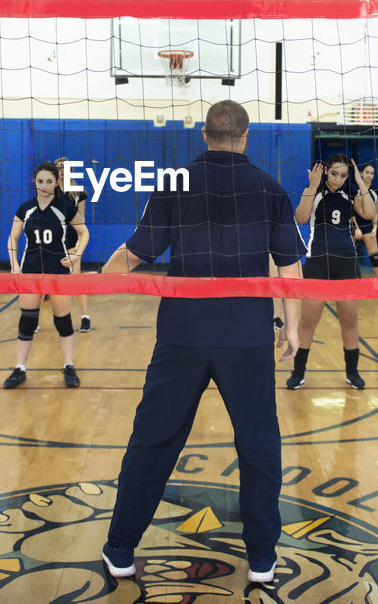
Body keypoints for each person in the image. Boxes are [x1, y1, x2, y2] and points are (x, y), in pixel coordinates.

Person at [99, 100, 303, 585]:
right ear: (246, 136)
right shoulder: (271, 189)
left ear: (205, 136)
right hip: (247, 336)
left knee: (153, 442)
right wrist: (292, 328)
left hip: (183, 334)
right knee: (259, 447)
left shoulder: (175, 184)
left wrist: (95, 280)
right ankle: (261, 559)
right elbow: (291, 269)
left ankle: (121, 549)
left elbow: (135, 253)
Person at [287, 154, 377, 390]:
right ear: (326, 171)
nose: (338, 179)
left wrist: (360, 182)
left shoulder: (351, 197)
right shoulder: (315, 193)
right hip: (318, 262)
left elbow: (369, 214)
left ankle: (352, 372)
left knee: (349, 319)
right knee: (308, 321)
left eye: (344, 175)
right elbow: (300, 217)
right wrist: (312, 186)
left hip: (346, 263)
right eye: (335, 174)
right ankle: (298, 372)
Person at [5, 162, 89, 389]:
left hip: (58, 271)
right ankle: (19, 368)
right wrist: (14, 264)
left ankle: (69, 366)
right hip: (30, 271)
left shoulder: (64, 207)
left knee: (62, 320)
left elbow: (84, 232)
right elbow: (13, 237)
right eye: (40, 181)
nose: (44, 186)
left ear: (56, 182)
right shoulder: (25, 208)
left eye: (49, 182)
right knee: (27, 321)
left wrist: (76, 256)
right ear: (34, 181)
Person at [55, 157, 93, 332]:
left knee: (75, 281)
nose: (61, 170)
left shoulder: (78, 192)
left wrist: (79, 246)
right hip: (52, 243)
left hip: (71, 243)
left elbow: (82, 221)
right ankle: (33, 320)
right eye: (58, 167)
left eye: (64, 167)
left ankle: (85, 317)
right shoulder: (49, 191)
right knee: (45, 281)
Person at [352, 162, 378, 278]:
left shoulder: (376, 191)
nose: (369, 175)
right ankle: (351, 282)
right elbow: (351, 211)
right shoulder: (354, 189)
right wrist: (356, 228)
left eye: (372, 173)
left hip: (367, 225)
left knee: (375, 256)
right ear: (361, 173)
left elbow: (375, 212)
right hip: (353, 225)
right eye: (367, 172)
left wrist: (375, 227)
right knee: (350, 256)